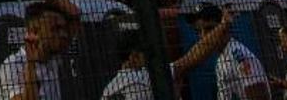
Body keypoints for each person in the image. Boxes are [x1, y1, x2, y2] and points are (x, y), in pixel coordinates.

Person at [99, 9, 234, 99]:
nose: (151, 56)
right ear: (133, 56)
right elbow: (192, 58)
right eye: (145, 52)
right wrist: (223, 25)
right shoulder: (144, 76)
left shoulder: (108, 90)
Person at [0, 0, 80, 100]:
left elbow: (75, 15)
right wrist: (31, 65)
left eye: (63, 29)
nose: (63, 34)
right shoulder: (12, 65)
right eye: (55, 29)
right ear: (34, 32)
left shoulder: (52, 57)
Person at [184, 5, 268, 100]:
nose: (204, 36)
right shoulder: (221, 60)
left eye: (209, 29)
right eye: (198, 31)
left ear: (224, 28)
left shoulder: (240, 56)